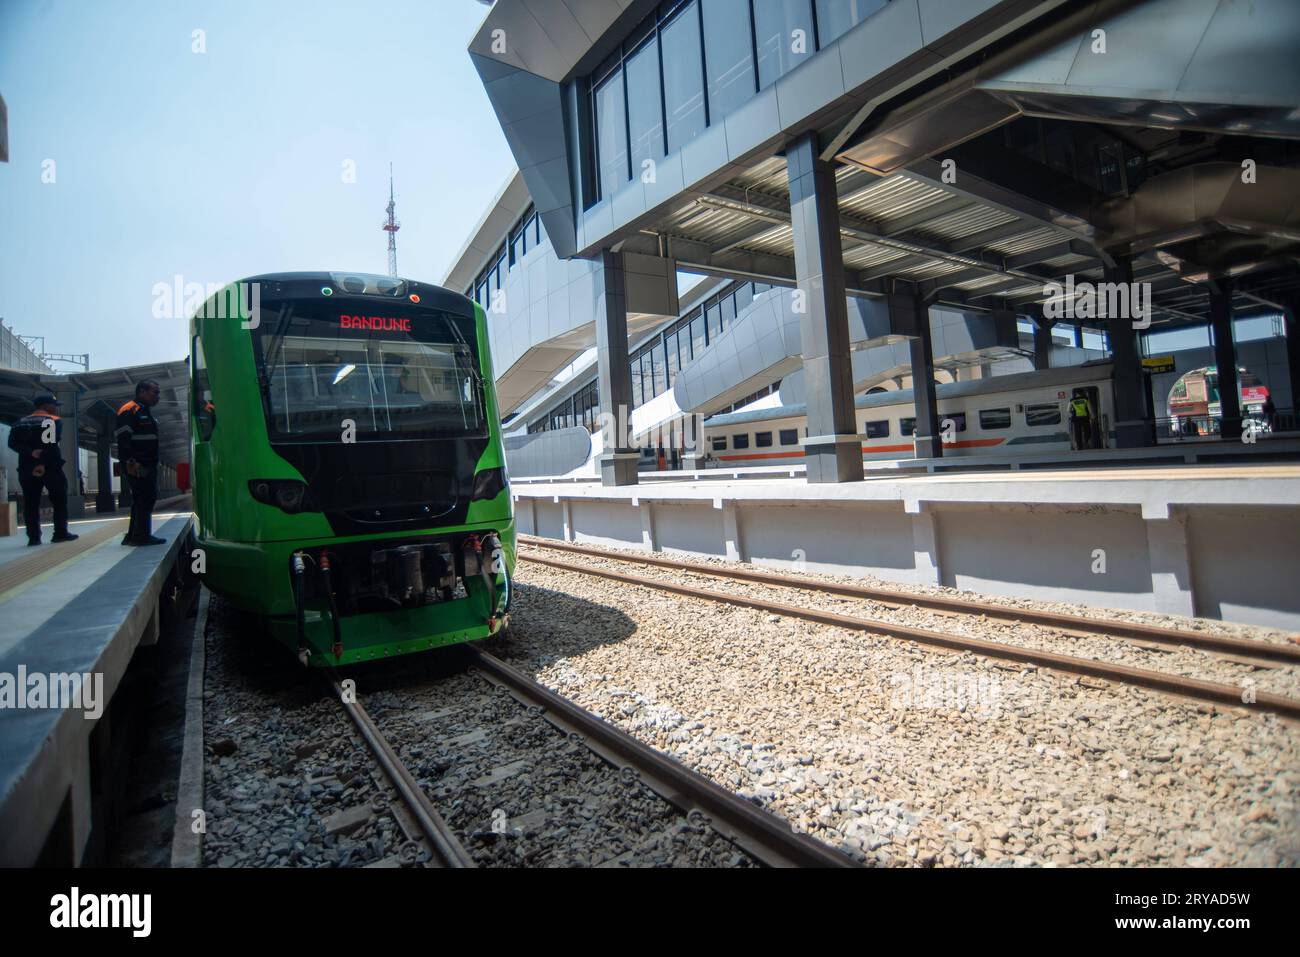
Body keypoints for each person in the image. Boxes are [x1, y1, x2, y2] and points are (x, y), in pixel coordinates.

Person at [6, 394, 78, 546]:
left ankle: (34, 538)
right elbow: (50, 443)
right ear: (46, 406)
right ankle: (60, 533)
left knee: (30, 504)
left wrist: (29, 452)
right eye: (54, 405)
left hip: (26, 468)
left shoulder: (19, 423)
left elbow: (12, 444)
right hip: (50, 467)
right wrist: (42, 463)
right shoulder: (52, 421)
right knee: (59, 500)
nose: (56, 408)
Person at [116, 380, 165, 546]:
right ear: (142, 392)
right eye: (154, 392)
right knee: (145, 498)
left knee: (141, 499)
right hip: (138, 464)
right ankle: (141, 536)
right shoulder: (130, 410)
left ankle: (133, 535)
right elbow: (123, 439)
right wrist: (130, 461)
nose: (157, 396)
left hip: (146, 464)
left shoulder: (145, 411)